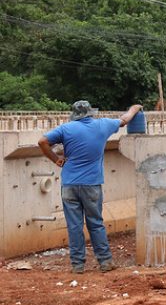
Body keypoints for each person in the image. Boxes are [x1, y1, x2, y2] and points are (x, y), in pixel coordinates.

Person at [38, 101, 142, 274]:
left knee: (74, 226)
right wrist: (135, 108)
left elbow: (42, 141)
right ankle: (105, 262)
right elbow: (125, 120)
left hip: (69, 184)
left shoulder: (66, 128)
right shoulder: (102, 125)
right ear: (90, 113)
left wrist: (55, 159)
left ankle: (78, 266)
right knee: (95, 223)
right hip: (91, 185)